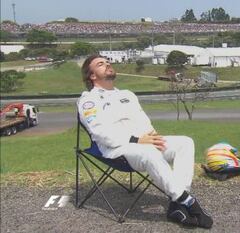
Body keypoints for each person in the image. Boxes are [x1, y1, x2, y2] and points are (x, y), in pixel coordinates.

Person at [77, 55, 213, 228]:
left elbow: (143, 121)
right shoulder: (88, 100)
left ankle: (176, 205)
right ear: (92, 76)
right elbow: (100, 132)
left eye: (107, 61)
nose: (107, 64)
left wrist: (152, 136)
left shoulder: (127, 95)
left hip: (144, 143)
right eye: (100, 64)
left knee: (185, 142)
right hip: (118, 150)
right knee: (148, 152)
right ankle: (189, 202)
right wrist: (137, 140)